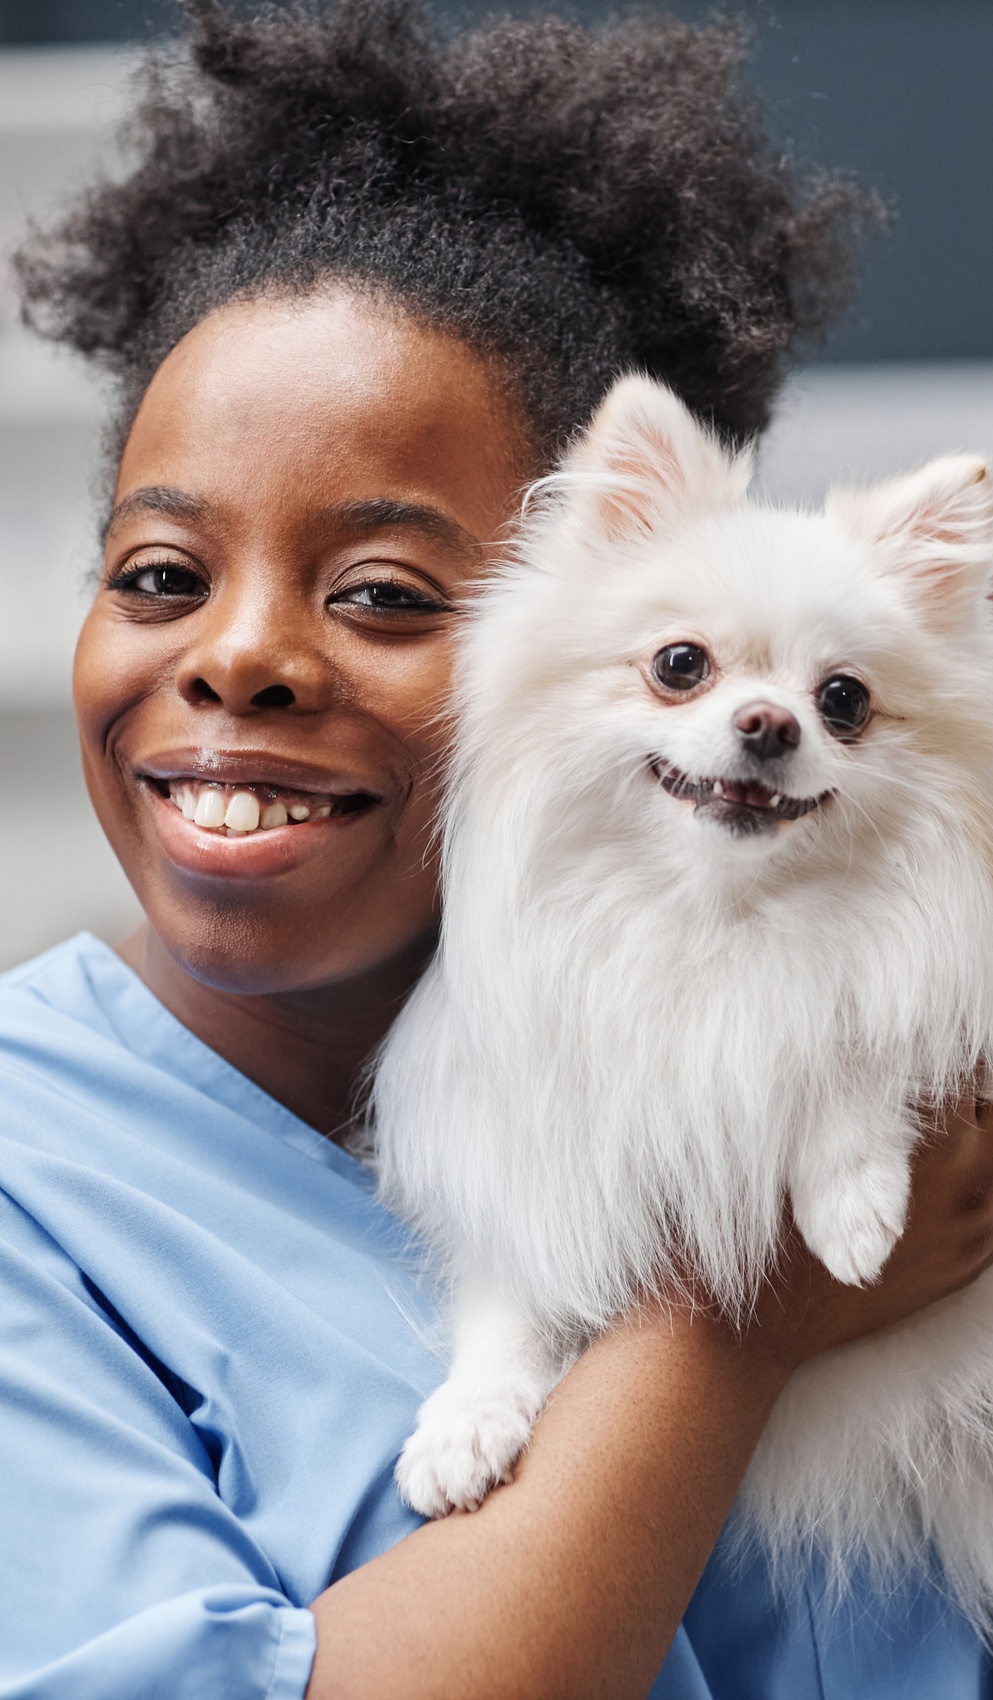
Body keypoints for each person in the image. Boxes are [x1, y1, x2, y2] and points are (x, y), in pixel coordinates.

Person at [4, 2, 992, 1695]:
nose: (236, 658)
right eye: (158, 574)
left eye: (384, 594)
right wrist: (732, 1323)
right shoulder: (40, 1179)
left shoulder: (903, 1080)